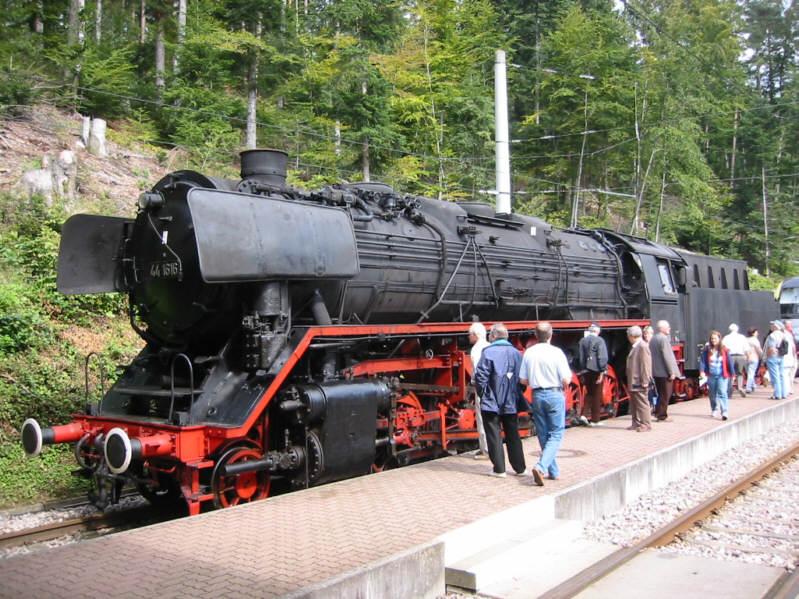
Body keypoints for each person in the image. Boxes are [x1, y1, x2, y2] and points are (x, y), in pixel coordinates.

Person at [519, 321, 571, 487]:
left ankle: (553, 471)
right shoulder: (557, 353)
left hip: (537, 395)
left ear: (536, 335)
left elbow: (523, 380)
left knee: (543, 434)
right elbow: (566, 379)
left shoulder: (529, 352)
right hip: (554, 393)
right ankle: (541, 467)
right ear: (551, 334)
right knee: (556, 434)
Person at [473, 323, 527, 478]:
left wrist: (483, 394)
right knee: (513, 433)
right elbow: (522, 378)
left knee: (493, 434)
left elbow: (480, 376)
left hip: (491, 401)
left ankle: (499, 469)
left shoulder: (488, 352)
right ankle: (520, 468)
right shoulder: (517, 353)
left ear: (494, 336)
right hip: (510, 400)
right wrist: (516, 393)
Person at [577, 323, 609, 426]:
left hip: (586, 370)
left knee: (589, 392)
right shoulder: (600, 340)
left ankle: (584, 415)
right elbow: (602, 357)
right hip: (596, 370)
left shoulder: (583, 341)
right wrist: (602, 370)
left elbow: (581, 357)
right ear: (598, 331)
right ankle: (595, 420)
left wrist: (583, 369)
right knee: (596, 394)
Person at [699, 330, 735, 420]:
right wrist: (702, 371)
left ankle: (724, 412)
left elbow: (729, 362)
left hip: (722, 375)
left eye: (715, 338)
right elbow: (703, 361)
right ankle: (714, 409)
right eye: (712, 338)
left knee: (722, 392)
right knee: (712, 394)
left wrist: (733, 374)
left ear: (719, 339)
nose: (713, 340)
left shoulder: (724, 350)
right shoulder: (707, 350)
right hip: (711, 375)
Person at [468, 322, 491, 459]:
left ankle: (486, 450)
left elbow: (479, 371)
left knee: (482, 417)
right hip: (491, 386)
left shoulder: (476, 349)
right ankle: (485, 448)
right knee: (490, 417)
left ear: (475, 335)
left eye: (469, 334)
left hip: (482, 388)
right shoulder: (489, 346)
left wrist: (476, 384)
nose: (468, 337)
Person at [650, 320, 680, 421]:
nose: (669, 329)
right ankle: (662, 415)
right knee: (665, 394)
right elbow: (667, 356)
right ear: (662, 328)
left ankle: (657, 412)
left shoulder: (653, 339)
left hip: (656, 371)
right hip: (664, 372)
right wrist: (671, 372)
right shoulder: (663, 339)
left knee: (660, 393)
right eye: (668, 327)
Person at [626, 325, 652, 432]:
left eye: (628, 336)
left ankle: (646, 424)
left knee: (642, 403)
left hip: (639, 380)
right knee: (634, 403)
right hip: (633, 380)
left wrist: (645, 380)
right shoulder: (636, 346)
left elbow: (646, 365)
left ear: (632, 336)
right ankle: (635, 423)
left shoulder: (642, 346)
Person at [721, 323, 749, 397]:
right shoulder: (742, 337)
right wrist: (747, 357)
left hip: (730, 356)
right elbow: (746, 348)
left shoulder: (726, 338)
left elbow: (723, 347)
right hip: (741, 356)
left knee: (730, 374)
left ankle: (729, 392)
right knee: (739, 373)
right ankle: (740, 387)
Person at [763, 320, 786, 400]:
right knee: (781, 375)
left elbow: (771, 348)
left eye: (772, 325)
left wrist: (766, 357)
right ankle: (783, 393)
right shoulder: (783, 335)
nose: (771, 326)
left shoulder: (772, 335)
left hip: (773, 357)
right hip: (781, 356)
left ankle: (777, 394)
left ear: (776, 326)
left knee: (775, 376)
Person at [643, 325, 658, 413]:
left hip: (654, 370)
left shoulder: (654, 344)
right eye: (646, 334)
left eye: (649, 333)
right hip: (647, 371)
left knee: (654, 390)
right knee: (649, 391)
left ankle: (655, 406)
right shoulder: (643, 345)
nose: (647, 335)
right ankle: (650, 406)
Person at [744, 327, 762, 394]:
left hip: (746, 358)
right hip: (754, 358)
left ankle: (753, 385)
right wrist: (762, 356)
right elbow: (758, 349)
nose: (758, 333)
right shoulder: (755, 340)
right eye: (756, 332)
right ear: (753, 333)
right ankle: (748, 388)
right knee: (751, 373)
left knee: (749, 372)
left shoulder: (745, 340)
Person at [783, 322, 796, 396]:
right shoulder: (788, 335)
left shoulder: (785, 334)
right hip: (789, 358)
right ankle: (788, 390)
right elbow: (793, 347)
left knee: (786, 375)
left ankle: (787, 390)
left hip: (786, 358)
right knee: (788, 375)